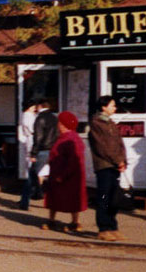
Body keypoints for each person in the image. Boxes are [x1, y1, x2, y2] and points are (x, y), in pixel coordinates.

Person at [88, 95, 127, 241]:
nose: (114, 108)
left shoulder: (110, 123)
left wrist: (123, 160)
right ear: (103, 107)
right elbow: (102, 147)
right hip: (104, 165)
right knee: (104, 197)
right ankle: (103, 228)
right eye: (112, 105)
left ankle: (113, 226)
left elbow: (119, 143)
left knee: (113, 197)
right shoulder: (97, 123)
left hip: (115, 165)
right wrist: (118, 160)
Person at [43, 111, 86, 232]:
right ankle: (57, 221)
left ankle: (74, 223)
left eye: (59, 122)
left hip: (67, 175)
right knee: (56, 198)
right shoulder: (65, 137)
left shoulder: (71, 139)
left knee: (70, 199)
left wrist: (63, 175)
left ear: (63, 124)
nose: (57, 125)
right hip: (61, 173)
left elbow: (74, 160)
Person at [20, 99, 57, 210]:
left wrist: (33, 153)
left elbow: (38, 137)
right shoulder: (54, 117)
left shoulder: (39, 118)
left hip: (40, 149)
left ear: (40, 106)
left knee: (32, 175)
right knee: (48, 175)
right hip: (52, 148)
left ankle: (25, 201)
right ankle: (49, 198)